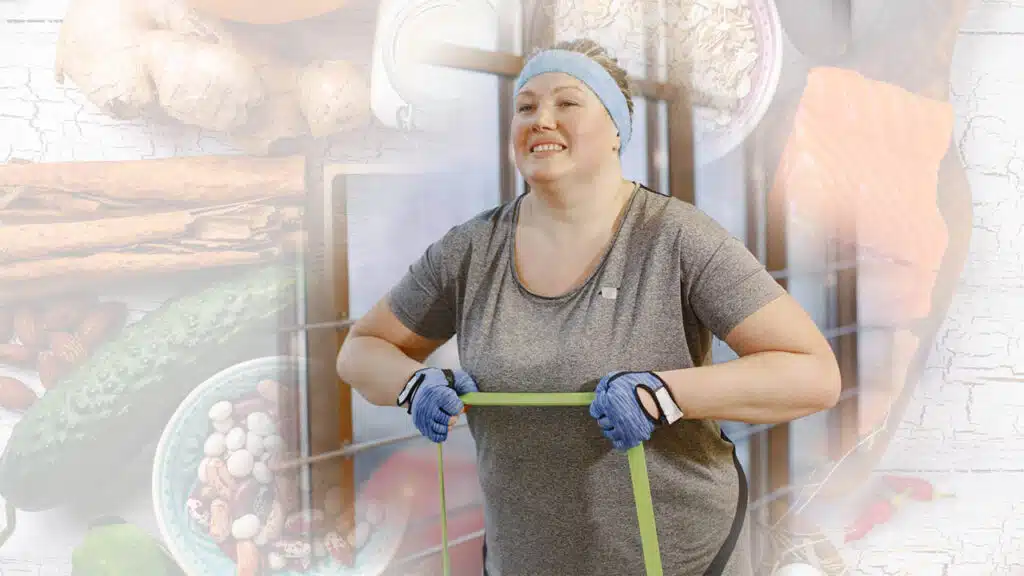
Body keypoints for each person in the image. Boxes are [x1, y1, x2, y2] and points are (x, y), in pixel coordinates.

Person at [336, 38, 841, 576]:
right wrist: (412, 385)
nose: (541, 119)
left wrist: (662, 395)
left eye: (567, 103)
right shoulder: (470, 251)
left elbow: (813, 375)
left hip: (686, 560)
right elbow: (361, 351)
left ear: (617, 128)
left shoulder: (676, 238)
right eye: (525, 107)